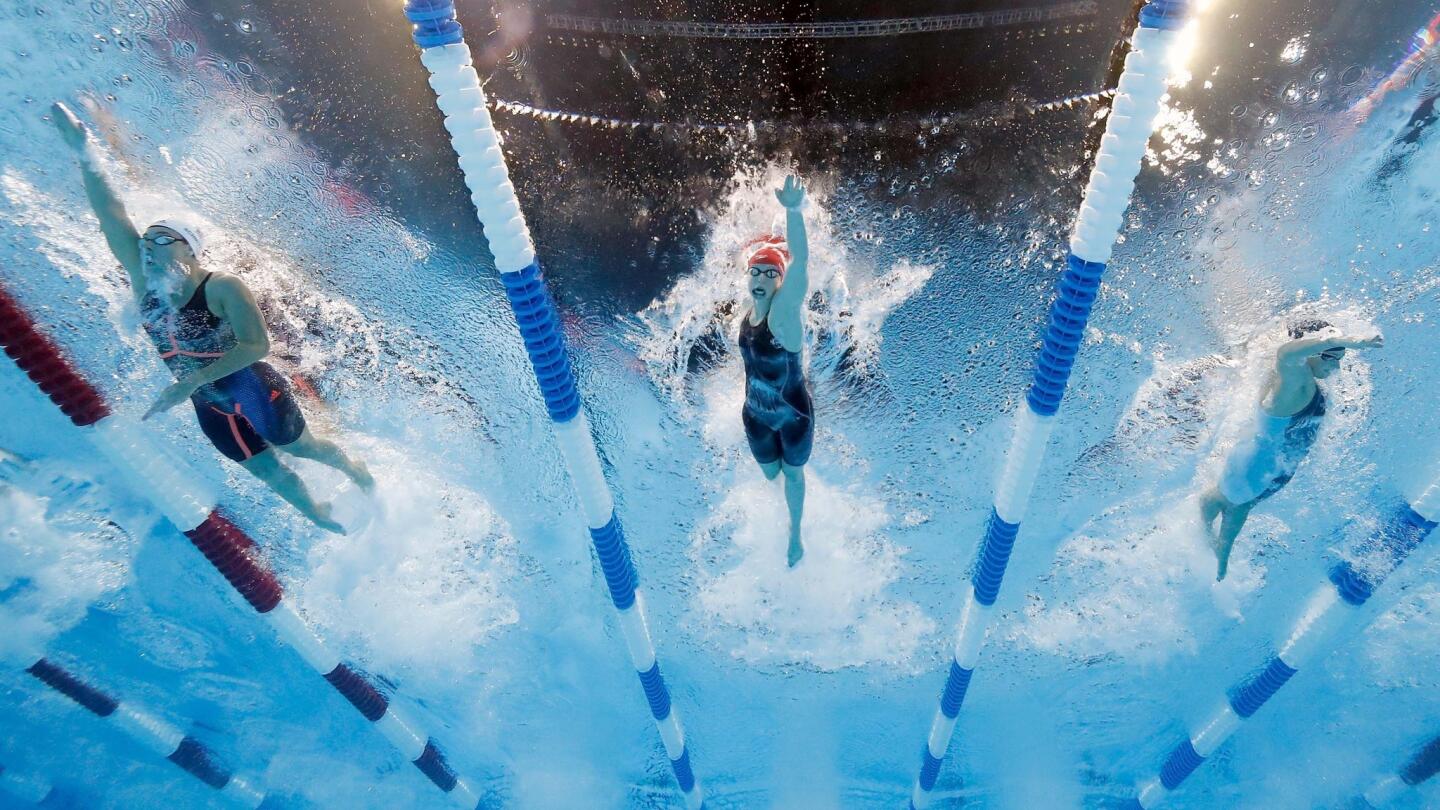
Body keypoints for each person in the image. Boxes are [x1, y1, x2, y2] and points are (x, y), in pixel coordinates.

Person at [50, 101, 372, 533]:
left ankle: (355, 469)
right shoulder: (145, 284)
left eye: (160, 238)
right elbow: (112, 215)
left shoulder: (221, 287)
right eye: (146, 240)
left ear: (188, 247)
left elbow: (258, 346)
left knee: (303, 448)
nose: (146, 245)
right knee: (266, 471)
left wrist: (191, 382)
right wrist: (83, 151)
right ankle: (317, 512)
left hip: (250, 386)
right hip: (208, 403)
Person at [1198, 320, 1383, 580]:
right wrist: (1346, 341)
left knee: (1233, 503)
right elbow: (1286, 353)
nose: (1336, 367)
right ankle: (1216, 548)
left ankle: (1216, 548)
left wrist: (1335, 343)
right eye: (1333, 358)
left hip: (1264, 465)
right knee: (1235, 504)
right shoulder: (1294, 384)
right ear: (1313, 353)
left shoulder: (1300, 381)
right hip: (1254, 468)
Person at [739, 176, 813, 567]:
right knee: (772, 477)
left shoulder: (784, 318)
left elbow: (800, 262)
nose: (762, 278)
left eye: (771, 274)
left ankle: (796, 536)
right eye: (757, 272)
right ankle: (782, 509)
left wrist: (793, 210)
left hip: (793, 418)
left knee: (793, 476)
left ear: (781, 283)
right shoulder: (747, 314)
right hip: (755, 417)